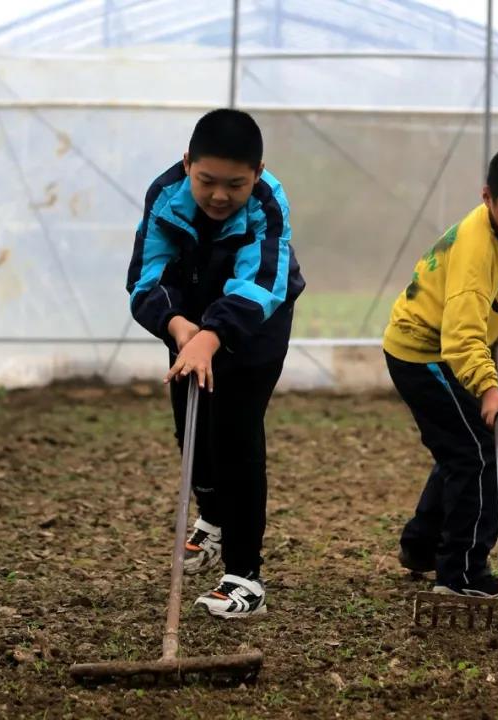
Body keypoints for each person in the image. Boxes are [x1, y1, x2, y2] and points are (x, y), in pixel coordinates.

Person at [126, 108, 305, 618]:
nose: (220, 196)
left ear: (258, 173)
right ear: (187, 165)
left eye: (236, 184)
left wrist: (215, 333)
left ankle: (244, 576)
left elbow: (261, 281)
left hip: (253, 327)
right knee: (192, 431)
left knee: (235, 438)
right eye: (207, 181)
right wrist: (176, 326)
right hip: (187, 323)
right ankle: (212, 520)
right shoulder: (165, 196)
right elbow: (146, 276)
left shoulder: (268, 202)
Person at [383, 143, 498, 597]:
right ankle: (461, 573)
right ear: (487, 197)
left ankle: (421, 545)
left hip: (439, 345)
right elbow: (460, 330)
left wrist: (496, 324)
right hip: (426, 352)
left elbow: (486, 296)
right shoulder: (478, 245)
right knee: (476, 456)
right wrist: (486, 389)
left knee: (462, 448)